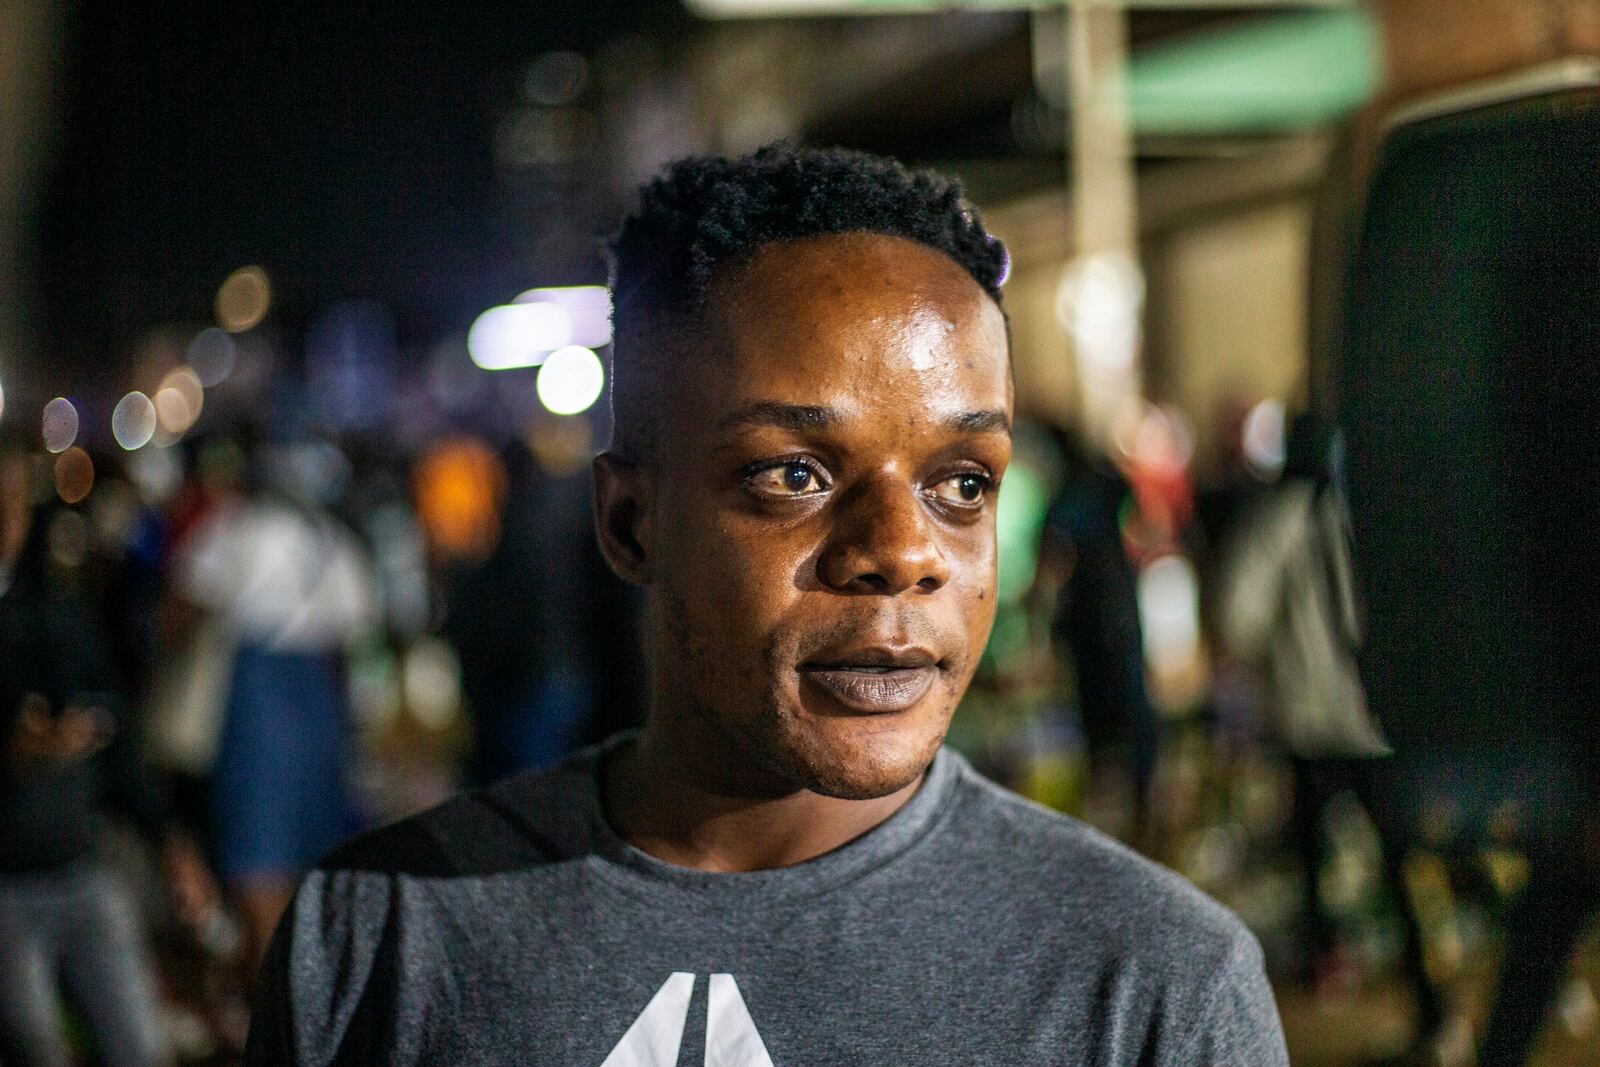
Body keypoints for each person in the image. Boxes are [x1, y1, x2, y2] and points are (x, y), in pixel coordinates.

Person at [246, 144, 1287, 1065]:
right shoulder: (380, 935)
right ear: (630, 522)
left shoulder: (1153, 986)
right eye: (793, 473)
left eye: (961, 480)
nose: (901, 552)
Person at [0, 436, 215, 1067]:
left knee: (141, 1046)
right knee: (38, 1047)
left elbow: (116, 737)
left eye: (14, 504)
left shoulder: (57, 611)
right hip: (6, 889)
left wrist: (173, 847)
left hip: (81, 868)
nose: (6, 523)